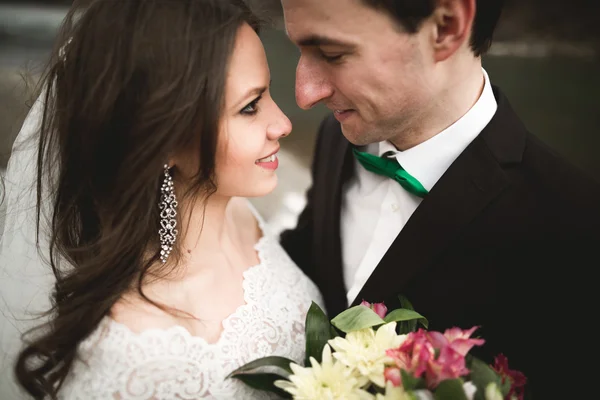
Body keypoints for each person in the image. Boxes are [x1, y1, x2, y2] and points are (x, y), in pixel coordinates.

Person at [2, 0, 324, 398]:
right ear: (164, 141)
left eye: (267, 92)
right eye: (250, 107)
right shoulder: (128, 359)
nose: (283, 123)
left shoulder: (243, 212)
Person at [279, 0, 600, 397]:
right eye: (299, 49)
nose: (304, 94)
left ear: (445, 27)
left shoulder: (576, 228)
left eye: (333, 54)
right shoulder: (336, 138)